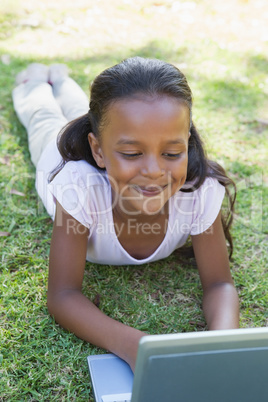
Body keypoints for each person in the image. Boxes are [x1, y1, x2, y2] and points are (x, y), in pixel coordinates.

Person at [12, 57, 239, 372]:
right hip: (55, 154)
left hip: (102, 128)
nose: (154, 171)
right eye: (133, 154)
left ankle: (62, 79)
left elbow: (219, 285)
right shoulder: (79, 189)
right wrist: (138, 347)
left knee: (82, 108)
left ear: (187, 143)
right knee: (44, 117)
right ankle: (36, 79)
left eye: (172, 153)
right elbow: (62, 295)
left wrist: (222, 345)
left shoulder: (198, 191)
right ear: (98, 151)